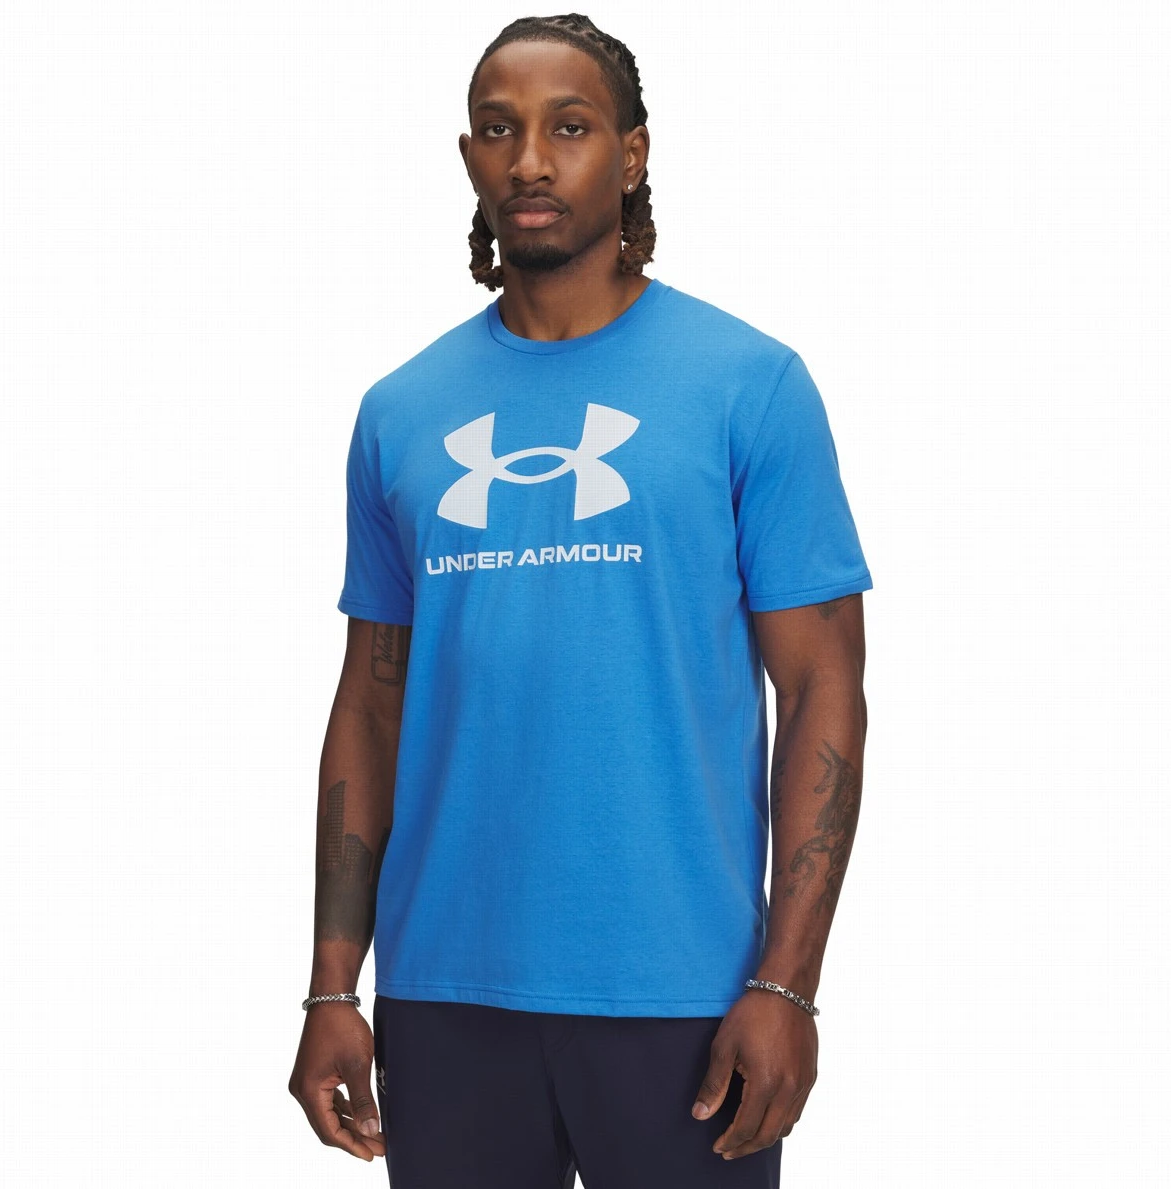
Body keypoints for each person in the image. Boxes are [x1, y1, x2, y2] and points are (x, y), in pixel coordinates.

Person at [289, 14, 872, 1188]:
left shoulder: (748, 385)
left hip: (683, 996)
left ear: (632, 152)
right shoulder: (401, 412)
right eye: (498, 129)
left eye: (569, 127)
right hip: (444, 995)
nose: (530, 161)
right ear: (468, 156)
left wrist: (788, 983)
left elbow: (822, 687)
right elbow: (370, 704)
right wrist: (331, 987)